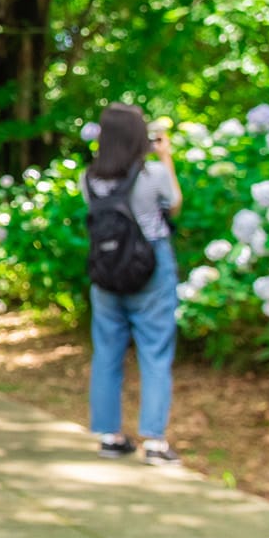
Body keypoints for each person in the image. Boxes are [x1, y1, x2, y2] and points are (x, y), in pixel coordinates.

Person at [82, 103, 185, 464]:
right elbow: (173, 204)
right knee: (155, 351)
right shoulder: (151, 173)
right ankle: (154, 441)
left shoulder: (89, 178)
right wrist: (166, 157)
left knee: (107, 351)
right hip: (150, 266)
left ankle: (110, 436)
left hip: (106, 271)